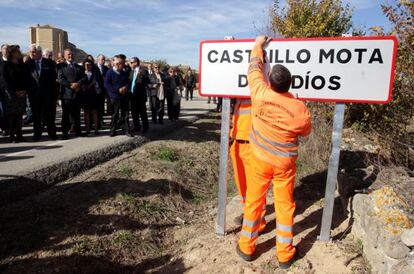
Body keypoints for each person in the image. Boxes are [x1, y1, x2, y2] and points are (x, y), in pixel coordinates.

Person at [237, 36, 312, 269]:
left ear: (269, 81)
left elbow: (253, 65)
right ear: (290, 84)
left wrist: (259, 44)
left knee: (254, 201)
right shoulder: (299, 108)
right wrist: (295, 102)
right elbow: (306, 131)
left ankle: (246, 247)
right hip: (283, 166)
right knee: (284, 205)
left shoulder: (259, 92)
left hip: (259, 161)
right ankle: (285, 254)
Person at [25, 44, 58, 141]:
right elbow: (26, 79)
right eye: (30, 52)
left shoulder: (49, 63)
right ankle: (37, 134)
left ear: (39, 52)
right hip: (34, 95)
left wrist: (53, 94)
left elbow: (53, 79)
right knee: (36, 116)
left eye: (33, 52)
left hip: (47, 95)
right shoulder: (28, 64)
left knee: (49, 115)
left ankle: (52, 134)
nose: (31, 54)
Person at [0, 45, 29, 143]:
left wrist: (24, 90)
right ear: (12, 53)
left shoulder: (21, 64)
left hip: (21, 93)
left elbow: (25, 78)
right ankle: (12, 136)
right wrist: (14, 92)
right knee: (11, 116)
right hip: (10, 94)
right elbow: (6, 80)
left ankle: (20, 135)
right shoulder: (6, 64)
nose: (19, 53)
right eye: (17, 51)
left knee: (19, 115)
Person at [57, 48, 85, 139]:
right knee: (66, 115)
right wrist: (70, 85)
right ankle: (65, 133)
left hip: (77, 94)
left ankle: (78, 131)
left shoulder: (79, 67)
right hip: (66, 95)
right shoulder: (61, 66)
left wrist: (78, 84)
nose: (70, 56)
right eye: (68, 54)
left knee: (76, 114)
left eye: (71, 54)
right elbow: (61, 79)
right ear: (64, 56)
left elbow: (84, 78)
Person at [104, 55, 132, 137]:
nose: (121, 65)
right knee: (115, 115)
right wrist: (118, 90)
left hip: (124, 96)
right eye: (119, 63)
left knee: (125, 114)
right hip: (115, 97)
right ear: (115, 63)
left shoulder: (123, 72)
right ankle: (113, 130)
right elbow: (107, 85)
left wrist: (125, 87)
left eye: (122, 63)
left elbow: (128, 82)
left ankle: (126, 130)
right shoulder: (109, 72)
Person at [79, 59, 102, 136]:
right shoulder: (81, 73)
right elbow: (80, 83)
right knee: (86, 113)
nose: (88, 66)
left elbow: (99, 82)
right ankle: (88, 129)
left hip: (94, 95)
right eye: (86, 65)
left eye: (89, 64)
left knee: (94, 112)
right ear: (84, 65)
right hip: (85, 96)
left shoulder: (95, 73)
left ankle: (96, 129)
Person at [128, 57, 149, 133]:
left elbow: (147, 81)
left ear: (136, 63)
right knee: (134, 113)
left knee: (142, 112)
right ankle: (137, 127)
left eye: (131, 62)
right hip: (132, 95)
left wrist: (142, 76)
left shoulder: (143, 71)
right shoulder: (131, 72)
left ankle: (145, 127)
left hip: (140, 96)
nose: (130, 64)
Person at [96, 54, 110, 119]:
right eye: (102, 59)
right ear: (98, 60)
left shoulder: (106, 68)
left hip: (104, 90)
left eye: (104, 59)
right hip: (96, 90)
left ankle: (101, 120)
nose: (103, 61)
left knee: (101, 105)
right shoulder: (94, 68)